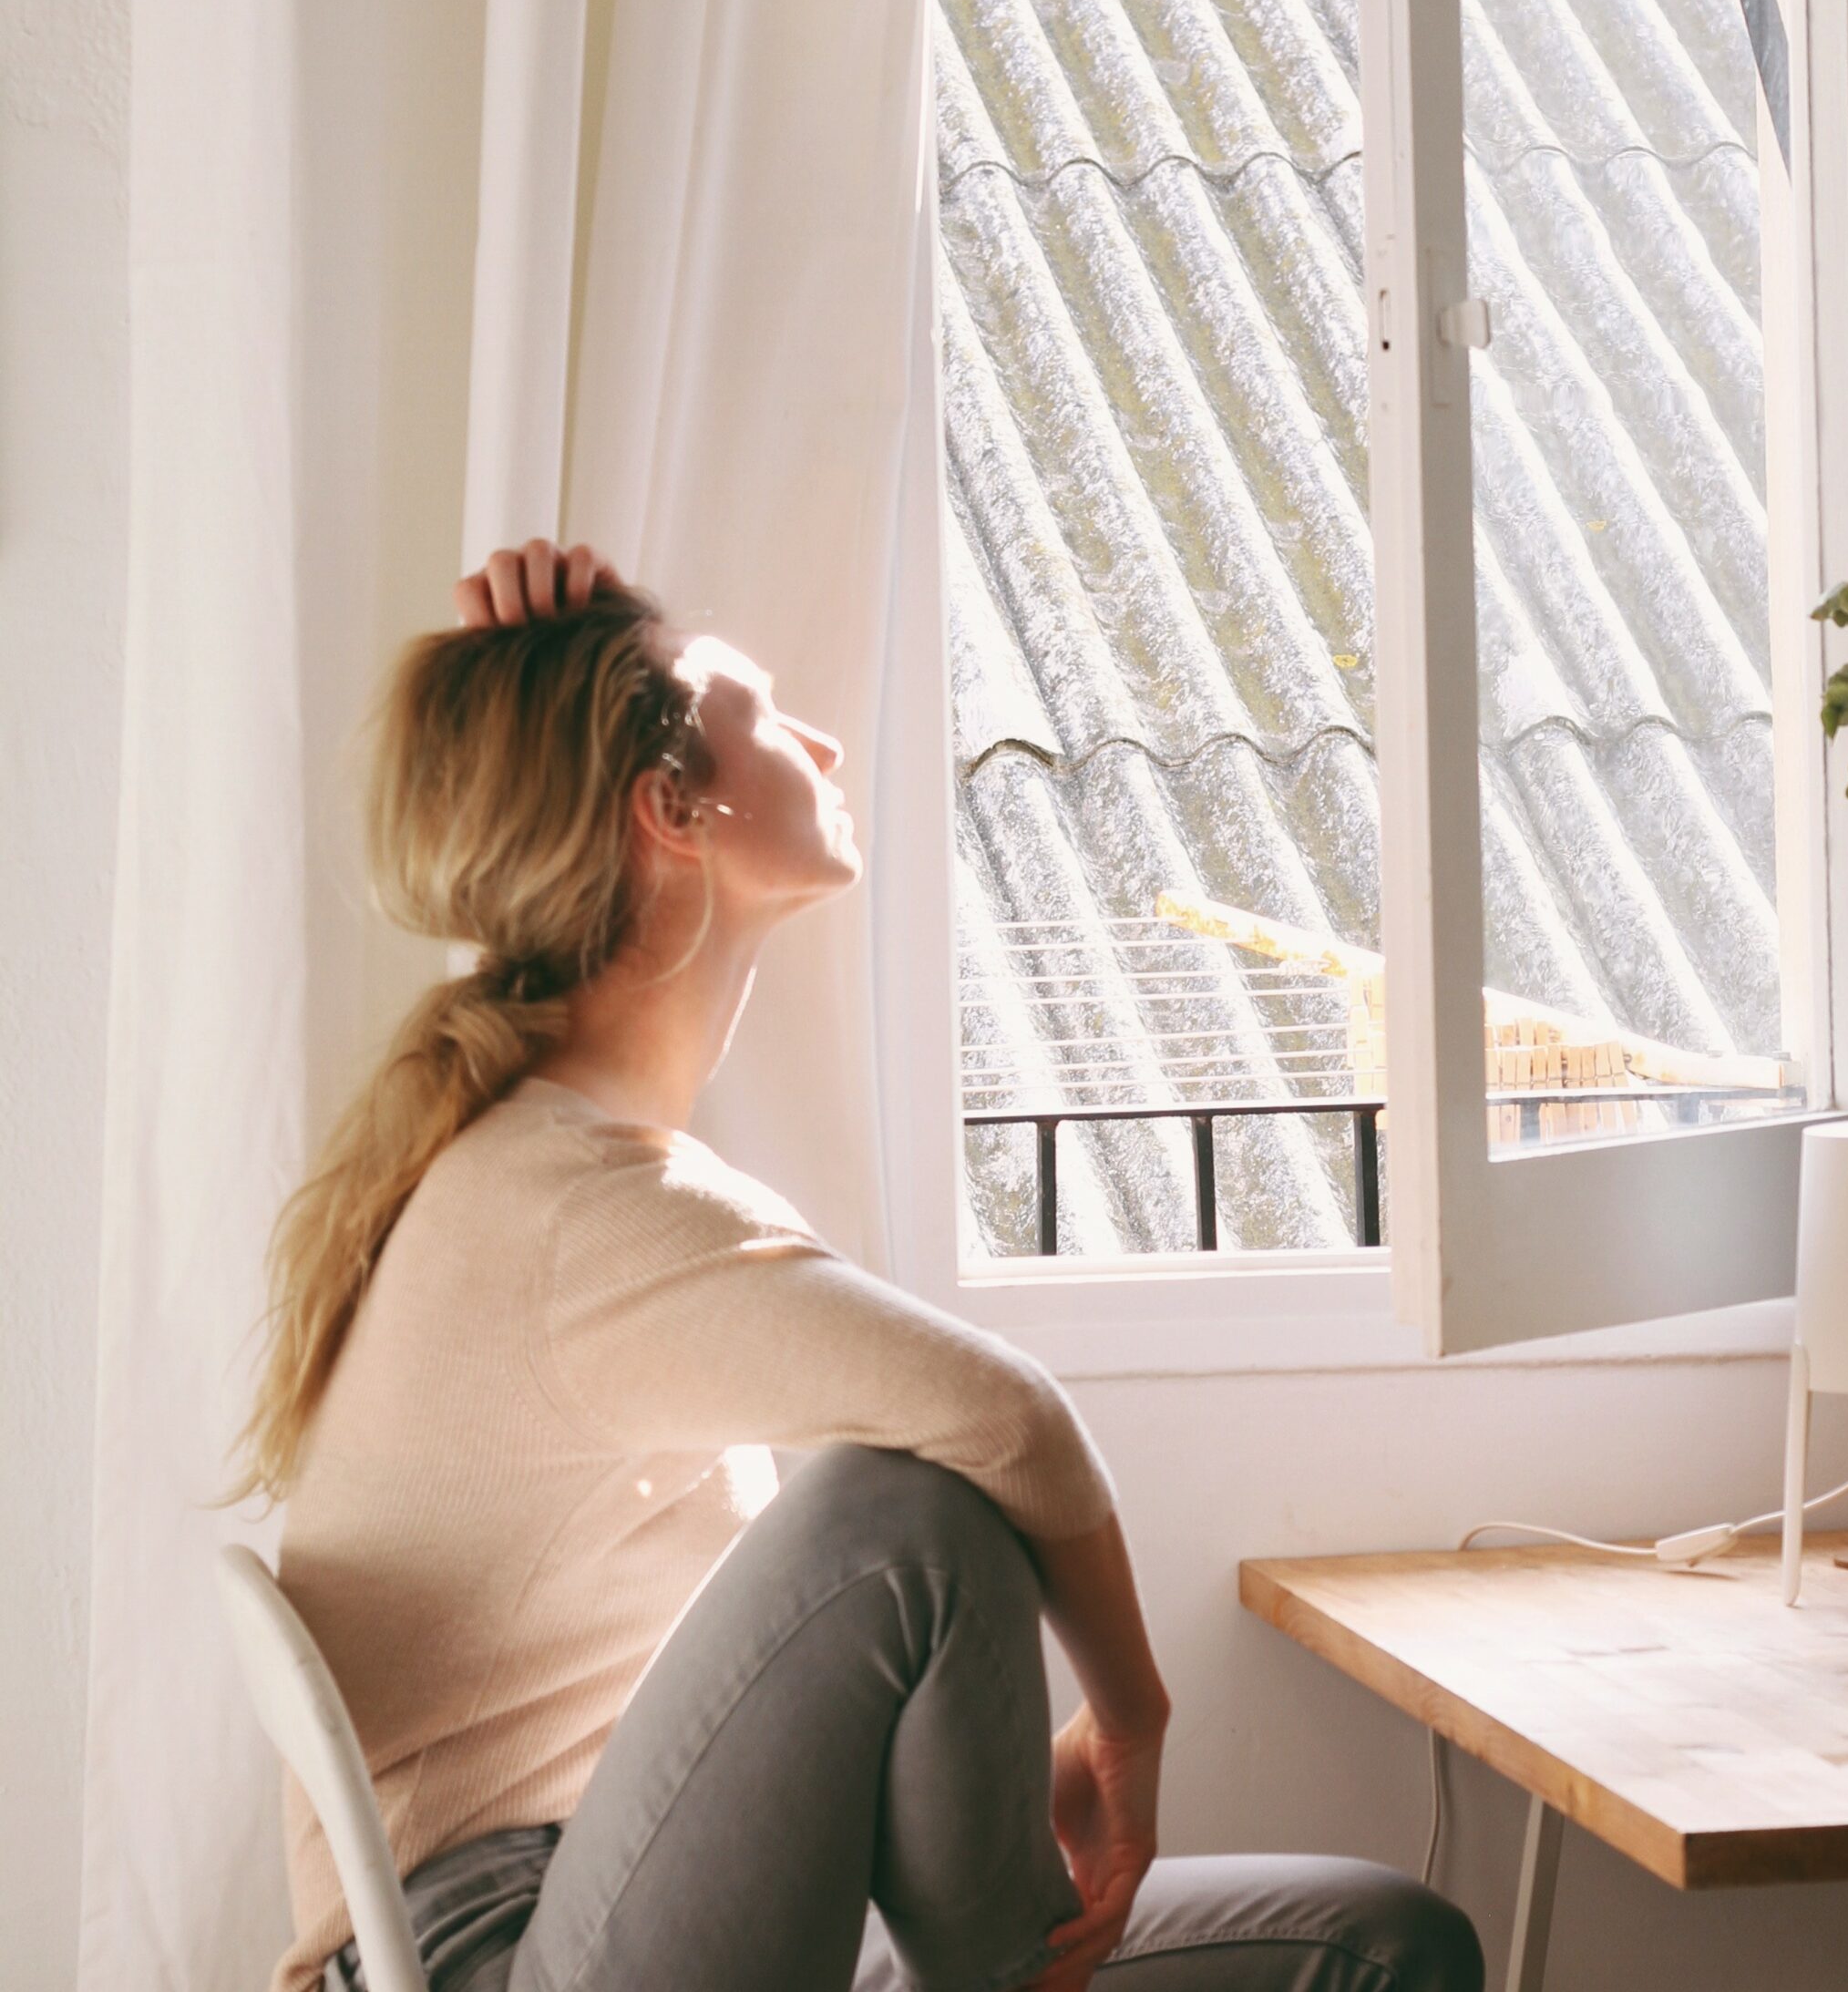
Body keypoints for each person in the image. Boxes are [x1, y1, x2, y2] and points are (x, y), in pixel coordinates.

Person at [239, 539, 1483, 1992]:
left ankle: (1004, 1958)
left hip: (629, 1891)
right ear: (672, 810)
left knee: (1385, 1945)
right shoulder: (561, 1201)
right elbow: (1008, 1419)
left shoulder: (572, 1167)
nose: (823, 739)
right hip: (512, 1950)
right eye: (766, 716)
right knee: (900, 1500)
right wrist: (1130, 1719)